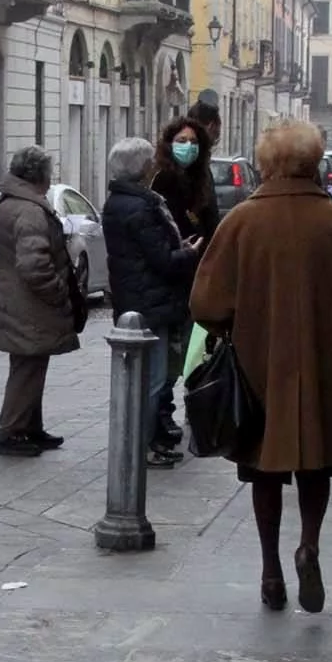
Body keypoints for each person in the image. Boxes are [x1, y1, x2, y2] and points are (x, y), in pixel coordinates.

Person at [190, 118, 332, 613]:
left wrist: (234, 323)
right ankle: (308, 544)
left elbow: (204, 302)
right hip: (321, 358)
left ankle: (270, 569)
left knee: (263, 466)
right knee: (317, 462)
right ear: (313, 162)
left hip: (257, 361)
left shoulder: (242, 220)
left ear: (265, 163)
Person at [100, 136, 201, 469]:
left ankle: (137, 444)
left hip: (134, 300)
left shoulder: (116, 201)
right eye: (149, 161)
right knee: (153, 379)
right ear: (142, 168)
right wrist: (189, 252)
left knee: (142, 378)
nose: (154, 165)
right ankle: (139, 447)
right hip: (150, 303)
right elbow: (162, 260)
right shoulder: (142, 205)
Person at [0, 145, 79, 458]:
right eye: (49, 174)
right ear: (38, 175)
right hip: (29, 305)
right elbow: (33, 264)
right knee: (27, 368)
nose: (51, 181)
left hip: (16, 300)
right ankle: (12, 432)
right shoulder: (28, 210)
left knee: (31, 365)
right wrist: (58, 291)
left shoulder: (10, 202)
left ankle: (29, 427)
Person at [150, 113, 220, 246]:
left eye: (193, 142)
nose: (188, 146)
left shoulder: (204, 175)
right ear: (169, 144)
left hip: (201, 254)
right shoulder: (161, 177)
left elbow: (212, 218)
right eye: (182, 141)